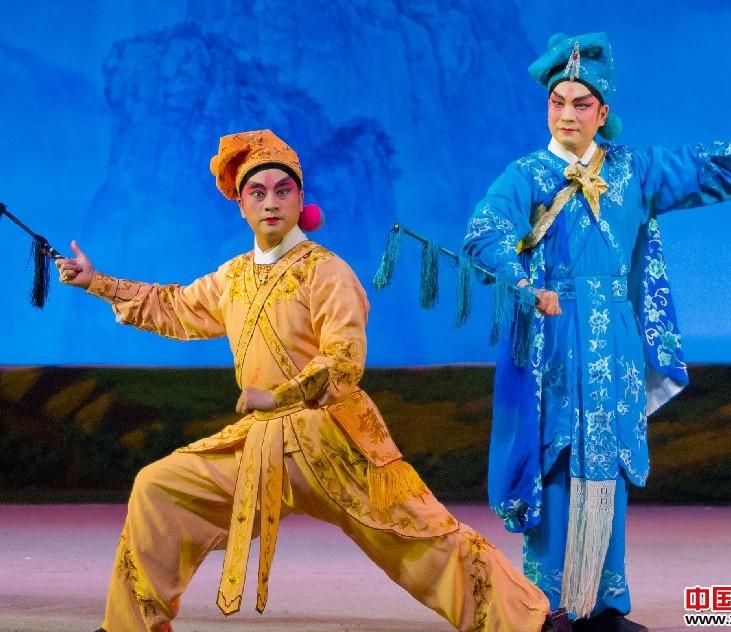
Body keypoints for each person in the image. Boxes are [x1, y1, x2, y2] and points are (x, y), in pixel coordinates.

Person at [56, 129, 573, 632]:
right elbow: (173, 306)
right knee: (159, 487)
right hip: (261, 445)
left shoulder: (327, 271)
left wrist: (280, 395)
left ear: (300, 199)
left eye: (283, 190)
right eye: (257, 192)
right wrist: (96, 282)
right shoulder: (233, 277)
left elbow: (343, 359)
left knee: (422, 537)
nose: (271, 202)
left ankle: (527, 621)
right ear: (241, 206)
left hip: (335, 439)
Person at [462, 32, 731, 632]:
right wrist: (524, 282)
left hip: (614, 334)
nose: (567, 114)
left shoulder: (631, 169)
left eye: (581, 104)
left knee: (609, 457)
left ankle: (605, 605)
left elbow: (695, 166)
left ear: (602, 112)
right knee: (555, 456)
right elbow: (485, 232)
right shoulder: (525, 175)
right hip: (554, 333)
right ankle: (547, 605)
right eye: (557, 102)